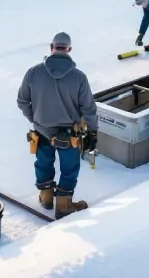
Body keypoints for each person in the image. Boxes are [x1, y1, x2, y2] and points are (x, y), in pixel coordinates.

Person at [17, 32, 99, 220]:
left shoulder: (33, 72)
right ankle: (64, 205)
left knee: (43, 162)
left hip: (42, 131)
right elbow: (88, 108)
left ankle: (46, 198)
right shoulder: (79, 77)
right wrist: (93, 131)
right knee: (70, 168)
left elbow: (22, 101)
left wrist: (35, 119)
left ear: (51, 46)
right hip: (70, 134)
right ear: (69, 50)